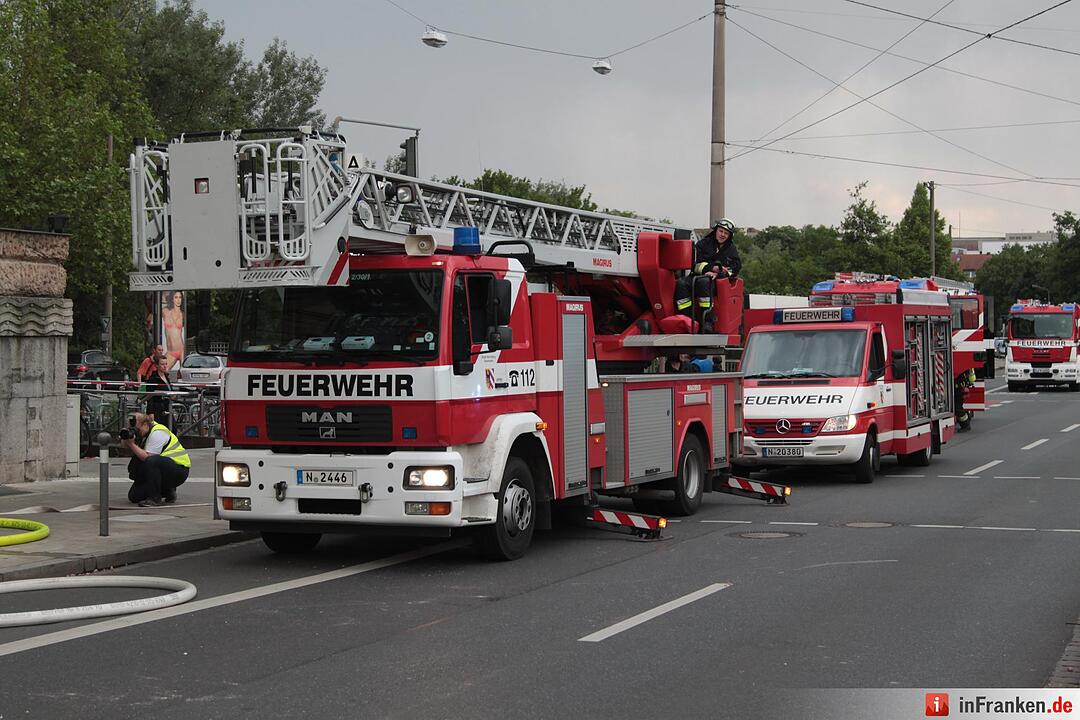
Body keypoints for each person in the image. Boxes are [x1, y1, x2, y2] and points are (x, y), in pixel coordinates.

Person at [123, 412, 190, 506]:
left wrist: (131, 444)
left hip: (178, 470)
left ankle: (154, 498)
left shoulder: (157, 432)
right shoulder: (144, 433)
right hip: (163, 470)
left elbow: (148, 457)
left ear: (145, 424)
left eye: (136, 429)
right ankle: (167, 491)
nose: (135, 432)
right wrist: (126, 440)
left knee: (151, 461)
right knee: (134, 496)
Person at [143, 356, 173, 426]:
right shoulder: (153, 379)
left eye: (166, 364)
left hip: (167, 407)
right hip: (157, 408)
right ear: (157, 365)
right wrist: (150, 412)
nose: (165, 366)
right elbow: (149, 396)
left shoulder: (167, 377)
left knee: (173, 428)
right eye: (162, 364)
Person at [162, 291, 185, 373]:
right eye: (176, 297)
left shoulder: (183, 314)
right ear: (172, 299)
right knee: (163, 371)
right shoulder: (166, 311)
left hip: (181, 349)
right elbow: (161, 300)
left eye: (180, 297)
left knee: (184, 374)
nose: (178, 300)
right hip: (171, 351)